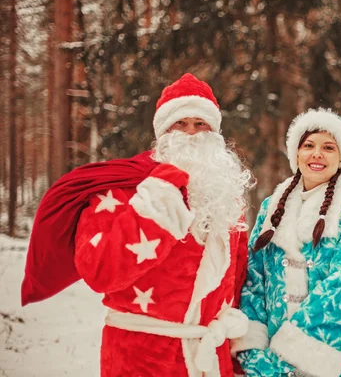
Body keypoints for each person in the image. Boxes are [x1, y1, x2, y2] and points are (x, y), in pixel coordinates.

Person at [21, 73, 253, 377]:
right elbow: (100, 272)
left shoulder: (225, 199)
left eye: (201, 124)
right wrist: (160, 199)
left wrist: (237, 348)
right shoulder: (122, 190)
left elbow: (236, 278)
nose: (192, 133)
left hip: (212, 358)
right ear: (162, 133)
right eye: (180, 124)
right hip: (141, 359)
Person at [232, 109, 341, 377]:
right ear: (296, 153)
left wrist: (286, 358)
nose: (317, 154)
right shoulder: (270, 208)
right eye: (308, 145)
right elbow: (253, 282)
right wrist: (255, 355)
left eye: (328, 147)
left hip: (335, 359)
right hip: (268, 363)